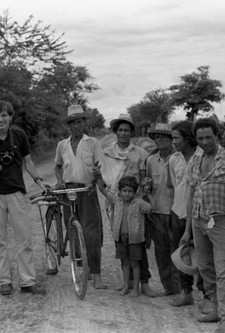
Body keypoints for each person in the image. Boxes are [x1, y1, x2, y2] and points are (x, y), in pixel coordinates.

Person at [0, 100, 48, 296]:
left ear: (11, 117)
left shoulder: (19, 135)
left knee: (24, 238)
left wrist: (39, 180)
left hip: (16, 192)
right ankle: (4, 281)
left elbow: (28, 161)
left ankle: (27, 281)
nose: (1, 119)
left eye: (4, 115)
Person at [181, 117, 225, 333]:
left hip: (222, 222)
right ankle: (215, 308)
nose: (204, 142)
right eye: (200, 138)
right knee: (204, 267)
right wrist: (188, 228)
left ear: (217, 136)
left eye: (208, 137)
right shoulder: (195, 160)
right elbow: (192, 192)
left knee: (223, 271)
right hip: (199, 221)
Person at [97, 113, 157, 297]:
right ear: (116, 132)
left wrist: (145, 192)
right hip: (115, 203)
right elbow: (101, 176)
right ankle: (129, 282)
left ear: (132, 132)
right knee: (121, 240)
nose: (123, 133)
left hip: (137, 205)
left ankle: (144, 282)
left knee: (138, 241)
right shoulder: (106, 152)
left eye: (127, 130)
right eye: (120, 130)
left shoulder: (140, 153)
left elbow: (147, 176)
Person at [55, 104, 106, 289]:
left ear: (83, 123)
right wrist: (60, 180)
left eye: (79, 122)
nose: (76, 126)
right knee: (72, 230)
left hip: (87, 191)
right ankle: (82, 267)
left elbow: (100, 167)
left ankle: (96, 273)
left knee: (91, 233)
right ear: (68, 125)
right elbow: (58, 166)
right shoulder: (62, 145)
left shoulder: (92, 143)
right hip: (68, 192)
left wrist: (96, 181)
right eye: (72, 123)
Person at [168, 121, 207, 308]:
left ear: (187, 138)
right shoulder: (174, 159)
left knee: (203, 255)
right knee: (182, 254)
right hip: (179, 212)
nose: (173, 141)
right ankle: (186, 293)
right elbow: (175, 186)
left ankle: (208, 296)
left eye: (176, 138)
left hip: (200, 214)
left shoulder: (204, 156)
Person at [97, 176, 153, 297]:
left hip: (135, 239)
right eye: (124, 191)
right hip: (120, 238)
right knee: (125, 263)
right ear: (120, 191)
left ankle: (136, 289)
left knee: (135, 264)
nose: (127, 194)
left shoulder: (139, 203)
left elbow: (150, 208)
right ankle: (126, 285)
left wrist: (147, 194)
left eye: (130, 191)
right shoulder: (117, 201)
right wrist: (98, 177)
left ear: (135, 192)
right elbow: (103, 190)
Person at [145, 123, 179, 296]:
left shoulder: (179, 158)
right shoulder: (151, 161)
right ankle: (168, 287)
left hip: (177, 212)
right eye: (157, 137)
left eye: (164, 136)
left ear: (171, 139)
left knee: (178, 250)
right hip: (158, 212)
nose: (160, 140)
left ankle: (180, 287)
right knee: (161, 251)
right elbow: (147, 186)